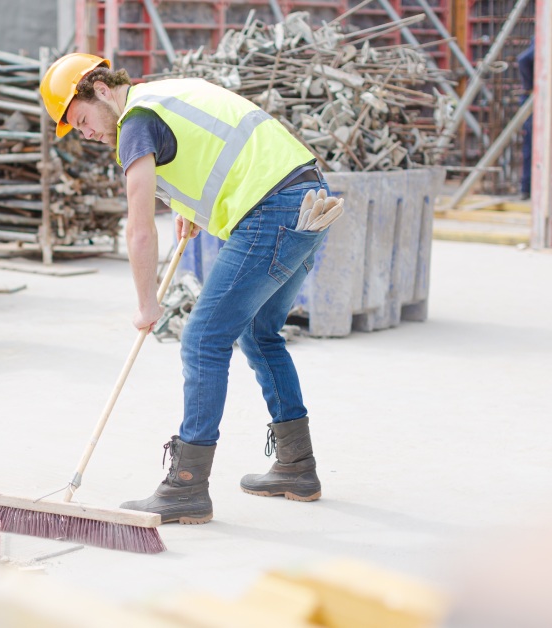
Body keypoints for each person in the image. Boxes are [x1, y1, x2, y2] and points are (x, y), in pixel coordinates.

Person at [40, 54, 344, 524]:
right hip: (306, 198)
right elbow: (210, 149)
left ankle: (186, 486)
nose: (88, 134)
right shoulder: (163, 95)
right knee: (260, 334)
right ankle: (297, 466)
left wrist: (146, 303)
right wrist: (192, 205)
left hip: (270, 211)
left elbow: (139, 228)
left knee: (203, 339)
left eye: (81, 121)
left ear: (99, 89)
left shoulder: (136, 122)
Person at [517, 38, 535, 200]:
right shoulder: (542, 39)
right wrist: (530, 86)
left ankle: (527, 188)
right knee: (532, 146)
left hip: (533, 98)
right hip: (533, 100)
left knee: (531, 147)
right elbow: (523, 59)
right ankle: (527, 188)